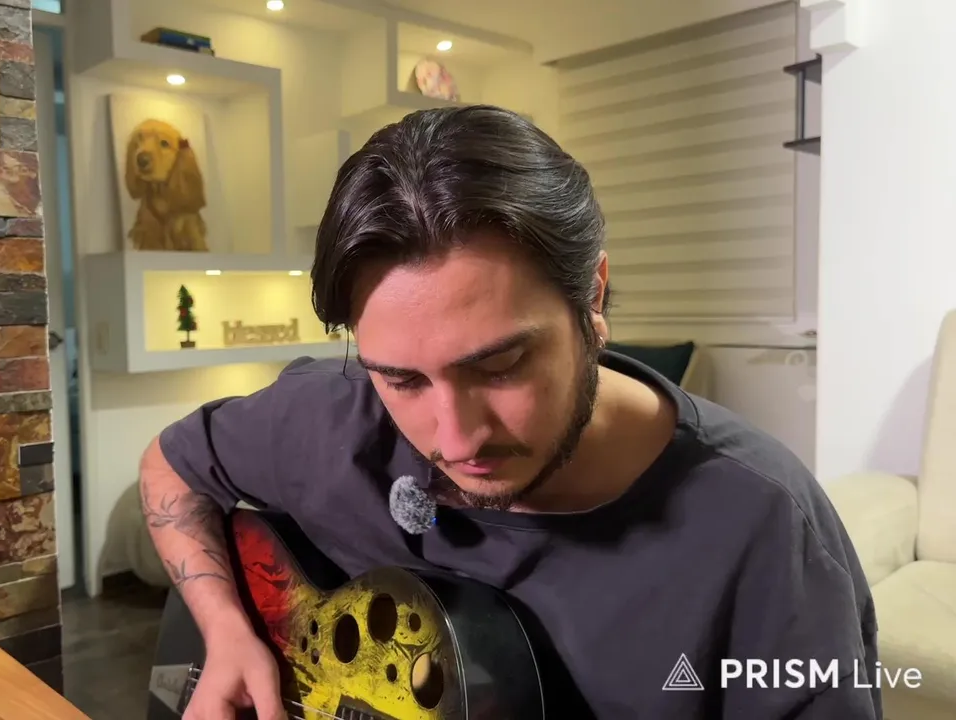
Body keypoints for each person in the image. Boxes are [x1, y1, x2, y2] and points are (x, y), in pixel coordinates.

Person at [138, 105, 881, 720]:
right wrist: (226, 630)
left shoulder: (761, 529)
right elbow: (169, 466)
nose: (456, 438)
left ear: (592, 297)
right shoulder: (329, 420)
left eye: (499, 366)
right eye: (402, 380)